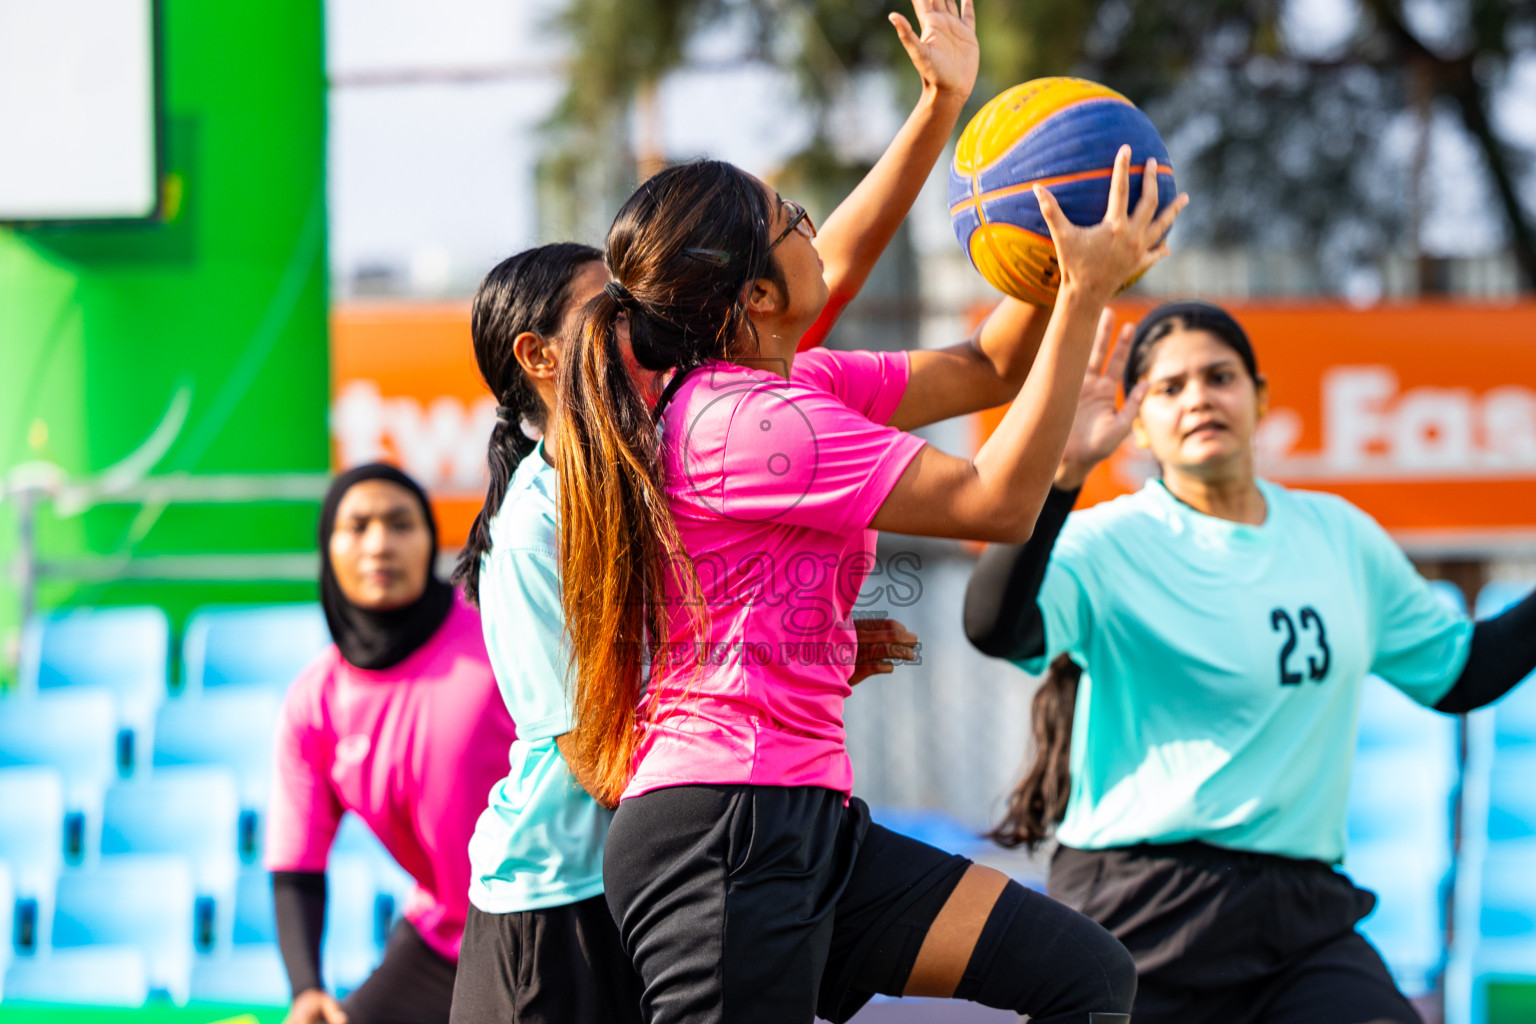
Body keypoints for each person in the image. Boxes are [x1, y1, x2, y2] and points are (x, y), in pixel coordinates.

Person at [552, 118, 1185, 1021]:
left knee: (1084, 976)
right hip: (725, 831)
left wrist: (1057, 242)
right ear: (760, 292)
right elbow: (994, 505)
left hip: (799, 817)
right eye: (796, 221)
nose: (819, 234)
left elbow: (992, 364)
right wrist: (1084, 293)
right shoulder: (743, 422)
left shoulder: (798, 386)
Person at [448, 4, 1008, 1020]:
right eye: (604, 307)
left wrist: (938, 111)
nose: (636, 313)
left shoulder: (681, 424)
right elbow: (590, 748)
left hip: (666, 867)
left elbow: (814, 277)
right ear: (541, 358)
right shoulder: (540, 518)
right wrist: (746, 736)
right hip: (558, 903)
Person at [962, 300, 1536, 1024]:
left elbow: (1462, 673)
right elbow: (992, 627)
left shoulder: (1338, 535)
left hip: (1301, 914)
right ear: (1137, 421)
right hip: (1141, 909)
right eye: (1169, 388)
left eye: (1219, 376)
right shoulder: (1109, 543)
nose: (1198, 396)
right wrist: (1060, 476)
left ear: (1261, 397)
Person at [268, 464, 517, 1024]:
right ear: (327, 547)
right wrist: (306, 988)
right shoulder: (315, 703)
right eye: (357, 527)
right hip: (447, 940)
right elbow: (296, 863)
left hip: (554, 925)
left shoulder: (501, 628)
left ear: (430, 540)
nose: (379, 544)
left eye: (400, 524)